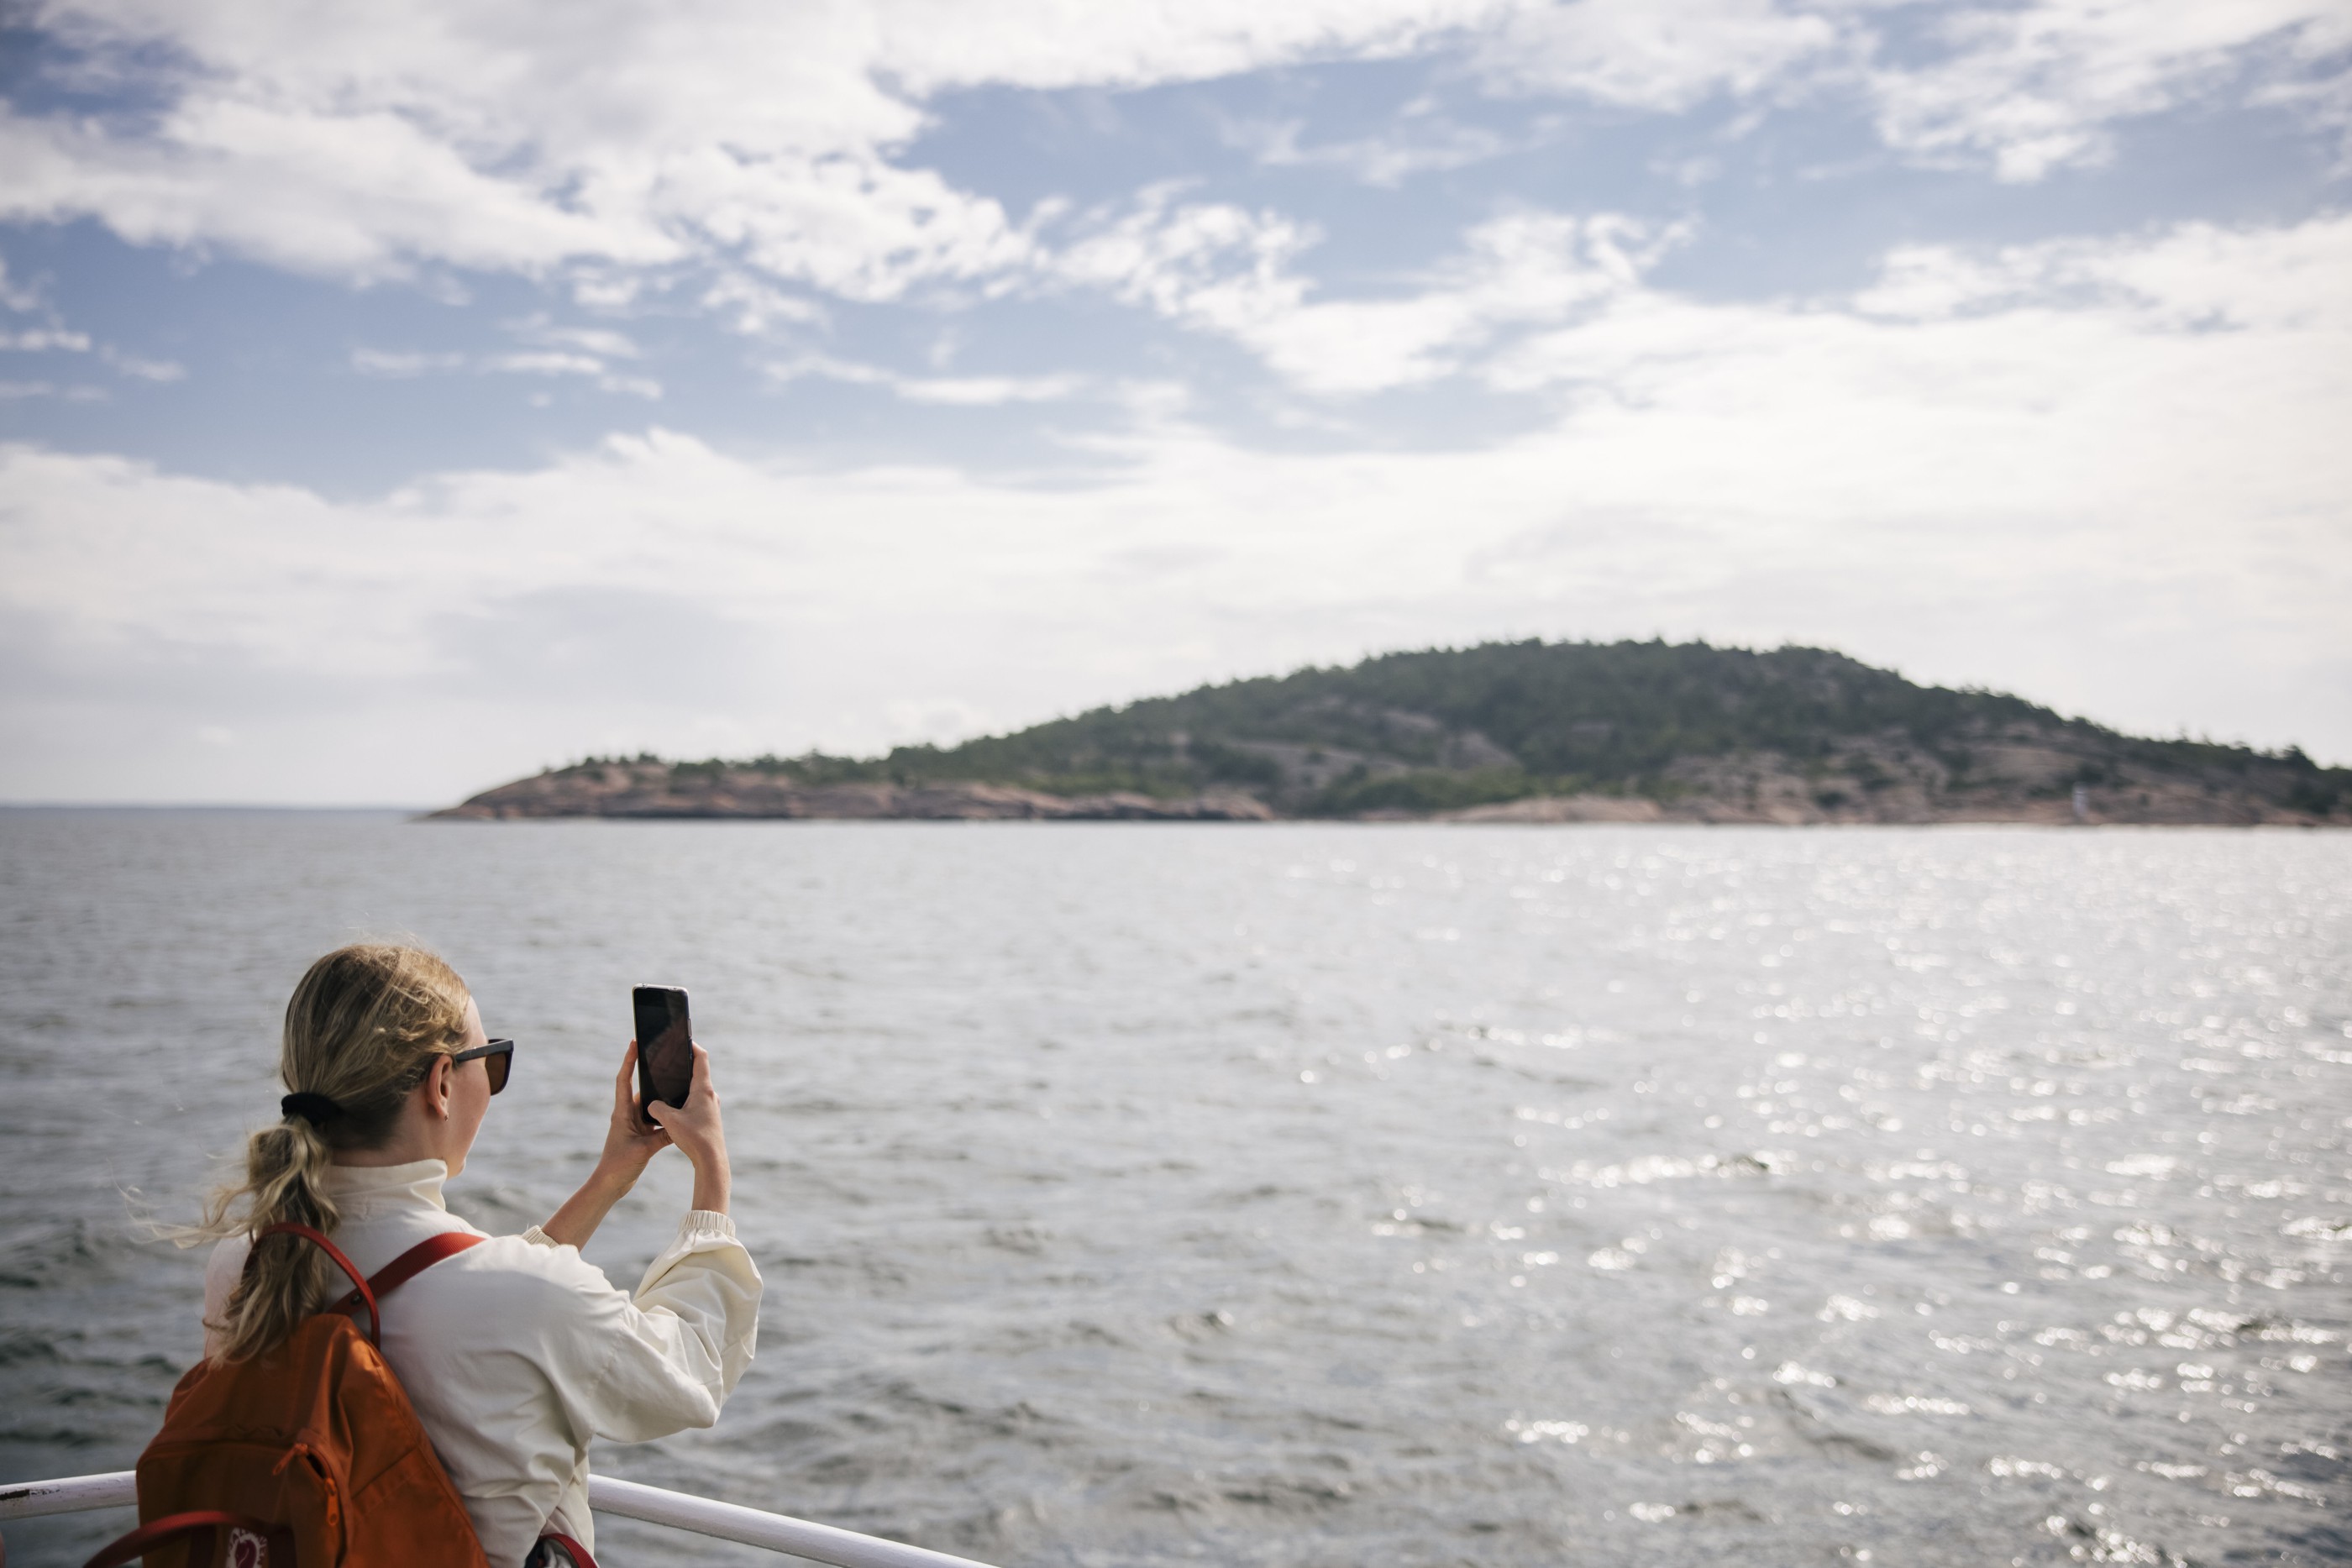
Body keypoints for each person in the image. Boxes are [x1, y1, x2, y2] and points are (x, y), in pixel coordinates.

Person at [185, 943, 761, 1566]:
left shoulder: (246, 1264)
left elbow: (462, 1289)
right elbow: (692, 1372)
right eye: (492, 1064)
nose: (492, 1085)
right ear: (440, 1083)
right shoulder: (530, 1297)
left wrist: (607, 1180)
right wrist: (712, 1171)